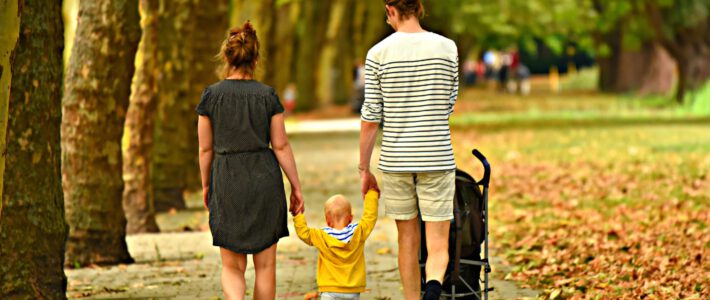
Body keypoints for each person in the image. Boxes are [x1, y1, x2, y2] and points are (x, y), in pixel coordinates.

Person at [196, 21, 304, 300]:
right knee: (265, 266)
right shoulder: (267, 96)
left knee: (232, 267)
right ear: (255, 59)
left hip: (227, 179)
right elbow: (280, 145)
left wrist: (207, 185)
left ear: (226, 57)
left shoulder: (211, 96)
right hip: (264, 181)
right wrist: (296, 187)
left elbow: (205, 149)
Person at [359, 1, 459, 299]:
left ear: (390, 9)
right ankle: (433, 287)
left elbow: (370, 117)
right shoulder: (447, 48)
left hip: (396, 159)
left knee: (407, 239)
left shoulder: (378, 54)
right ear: (419, 7)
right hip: (437, 156)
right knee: (438, 242)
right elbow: (449, 102)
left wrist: (364, 168)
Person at [293, 190, 379, 300]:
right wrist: (371, 193)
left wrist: (298, 214)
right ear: (350, 218)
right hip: (353, 290)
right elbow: (370, 217)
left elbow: (304, 233)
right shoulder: (358, 232)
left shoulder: (321, 236)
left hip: (329, 290)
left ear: (327, 221)